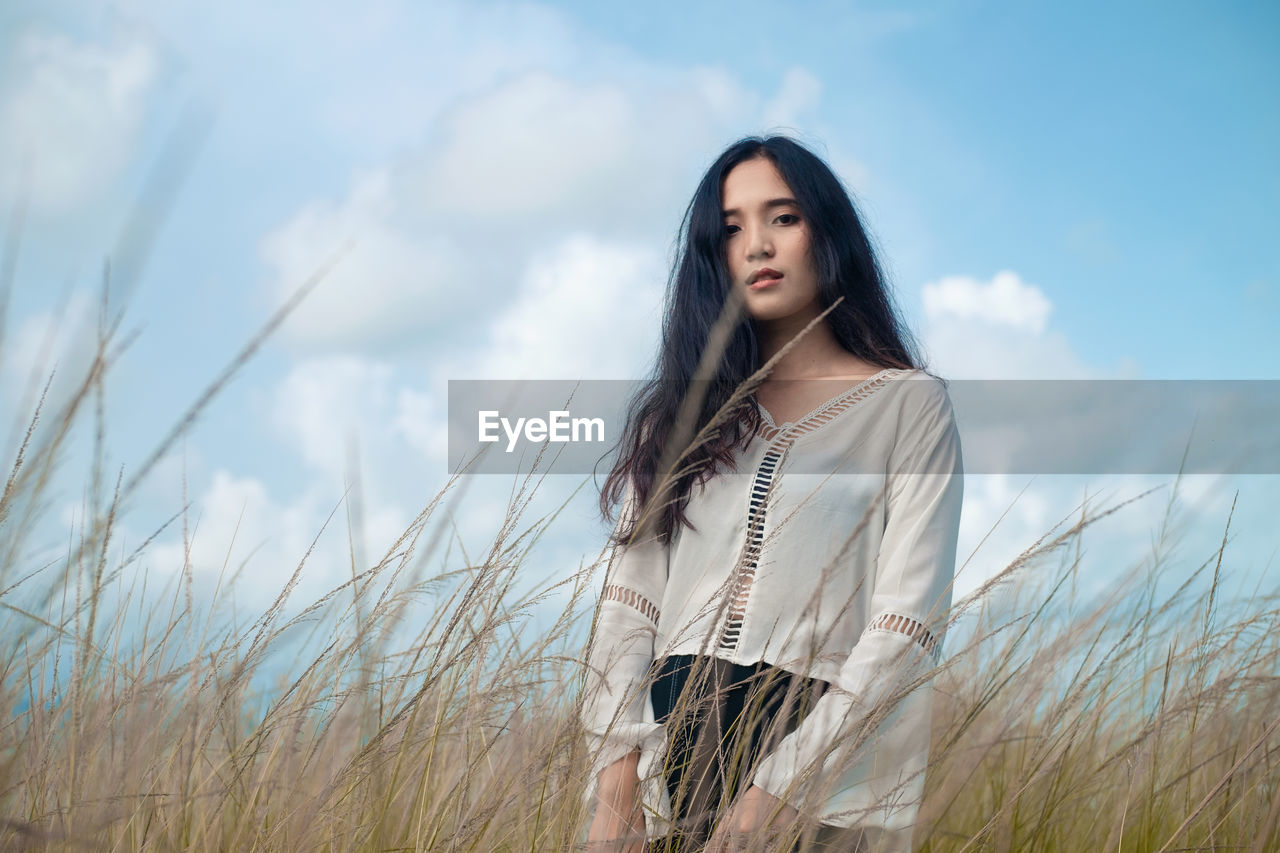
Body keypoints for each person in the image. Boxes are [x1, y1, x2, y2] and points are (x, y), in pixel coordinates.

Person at [580, 134, 964, 853]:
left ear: (828, 231)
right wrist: (616, 787)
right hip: (668, 776)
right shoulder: (684, 413)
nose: (757, 244)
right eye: (731, 229)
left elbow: (906, 625)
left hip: (825, 783)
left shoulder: (909, 406)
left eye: (782, 218)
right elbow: (629, 606)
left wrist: (773, 797)